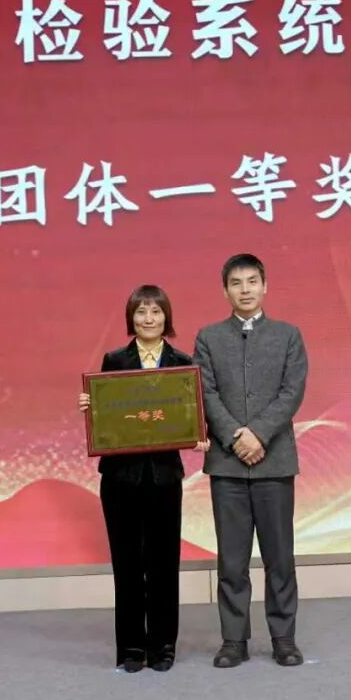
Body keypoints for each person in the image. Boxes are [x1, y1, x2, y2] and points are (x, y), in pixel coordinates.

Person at [78, 284, 210, 673]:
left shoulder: (182, 363)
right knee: (127, 564)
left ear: (166, 317)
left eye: (155, 311)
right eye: (141, 312)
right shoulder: (114, 360)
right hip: (120, 479)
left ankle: (163, 646)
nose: (148, 319)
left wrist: (197, 434)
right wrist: (91, 406)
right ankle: (132, 648)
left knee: (164, 564)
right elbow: (108, 417)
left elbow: (187, 416)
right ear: (130, 318)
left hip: (164, 477)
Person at [193, 254, 309, 668]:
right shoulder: (208, 338)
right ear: (225, 291)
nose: (245, 289)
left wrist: (258, 434)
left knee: (280, 558)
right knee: (231, 560)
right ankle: (233, 641)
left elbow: (292, 392)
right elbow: (205, 393)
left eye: (252, 281)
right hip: (227, 466)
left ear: (265, 286)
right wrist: (234, 436)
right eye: (236, 283)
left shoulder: (288, 335)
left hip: (274, 461)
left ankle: (284, 638)